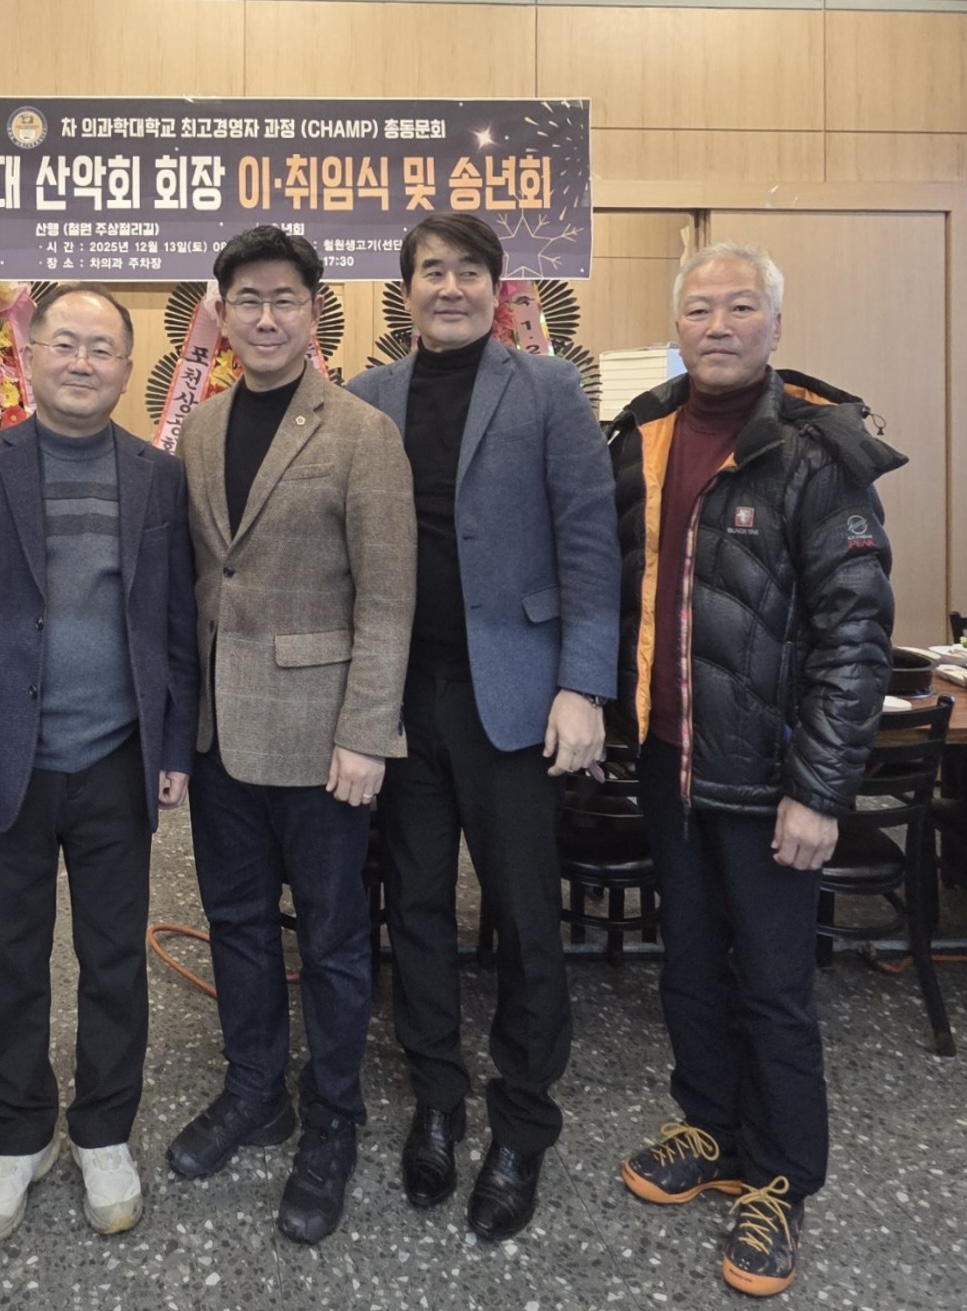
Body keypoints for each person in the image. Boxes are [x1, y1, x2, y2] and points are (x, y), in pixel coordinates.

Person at [609, 243, 902, 1297]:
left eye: (741, 308)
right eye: (700, 309)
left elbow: (856, 640)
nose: (719, 325)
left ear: (774, 326)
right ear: (675, 325)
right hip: (670, 764)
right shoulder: (639, 434)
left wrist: (818, 792)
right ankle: (710, 1128)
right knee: (687, 966)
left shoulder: (820, 452)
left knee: (773, 987)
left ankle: (780, 1177)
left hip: (770, 779)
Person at [346, 212, 619, 1239]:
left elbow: (588, 544)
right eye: (431, 271)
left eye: (468, 271)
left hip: (514, 697)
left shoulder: (548, 389)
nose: (449, 287)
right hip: (402, 700)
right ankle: (437, 1097)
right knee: (414, 910)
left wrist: (582, 685)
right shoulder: (368, 397)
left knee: (523, 918)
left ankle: (522, 1121)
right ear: (406, 289)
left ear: (496, 289)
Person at [0, 284, 198, 1244]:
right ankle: (19, 1135)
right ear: (29, 356)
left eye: (101, 348)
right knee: (10, 959)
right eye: (65, 344)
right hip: (6, 760)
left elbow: (175, 625)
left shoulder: (159, 477)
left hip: (118, 756)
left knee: (114, 958)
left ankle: (104, 1131)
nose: (82, 362)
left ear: (127, 367)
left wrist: (173, 745)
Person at [166, 225, 416, 1244]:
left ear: (313, 314)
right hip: (219, 731)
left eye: (284, 299)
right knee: (232, 921)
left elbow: (388, 600)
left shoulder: (360, 432)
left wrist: (366, 734)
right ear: (220, 314)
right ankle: (255, 1089)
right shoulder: (198, 428)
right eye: (247, 300)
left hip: (323, 741)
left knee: (334, 939)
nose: (264, 317)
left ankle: (333, 1118)